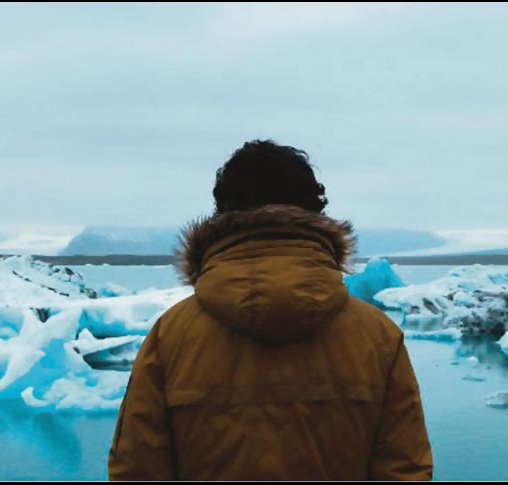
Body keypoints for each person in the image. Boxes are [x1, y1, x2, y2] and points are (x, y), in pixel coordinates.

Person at [108, 140, 433, 480]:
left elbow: (136, 470)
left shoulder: (172, 336)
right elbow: (405, 470)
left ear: (222, 215)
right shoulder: (377, 337)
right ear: (316, 213)